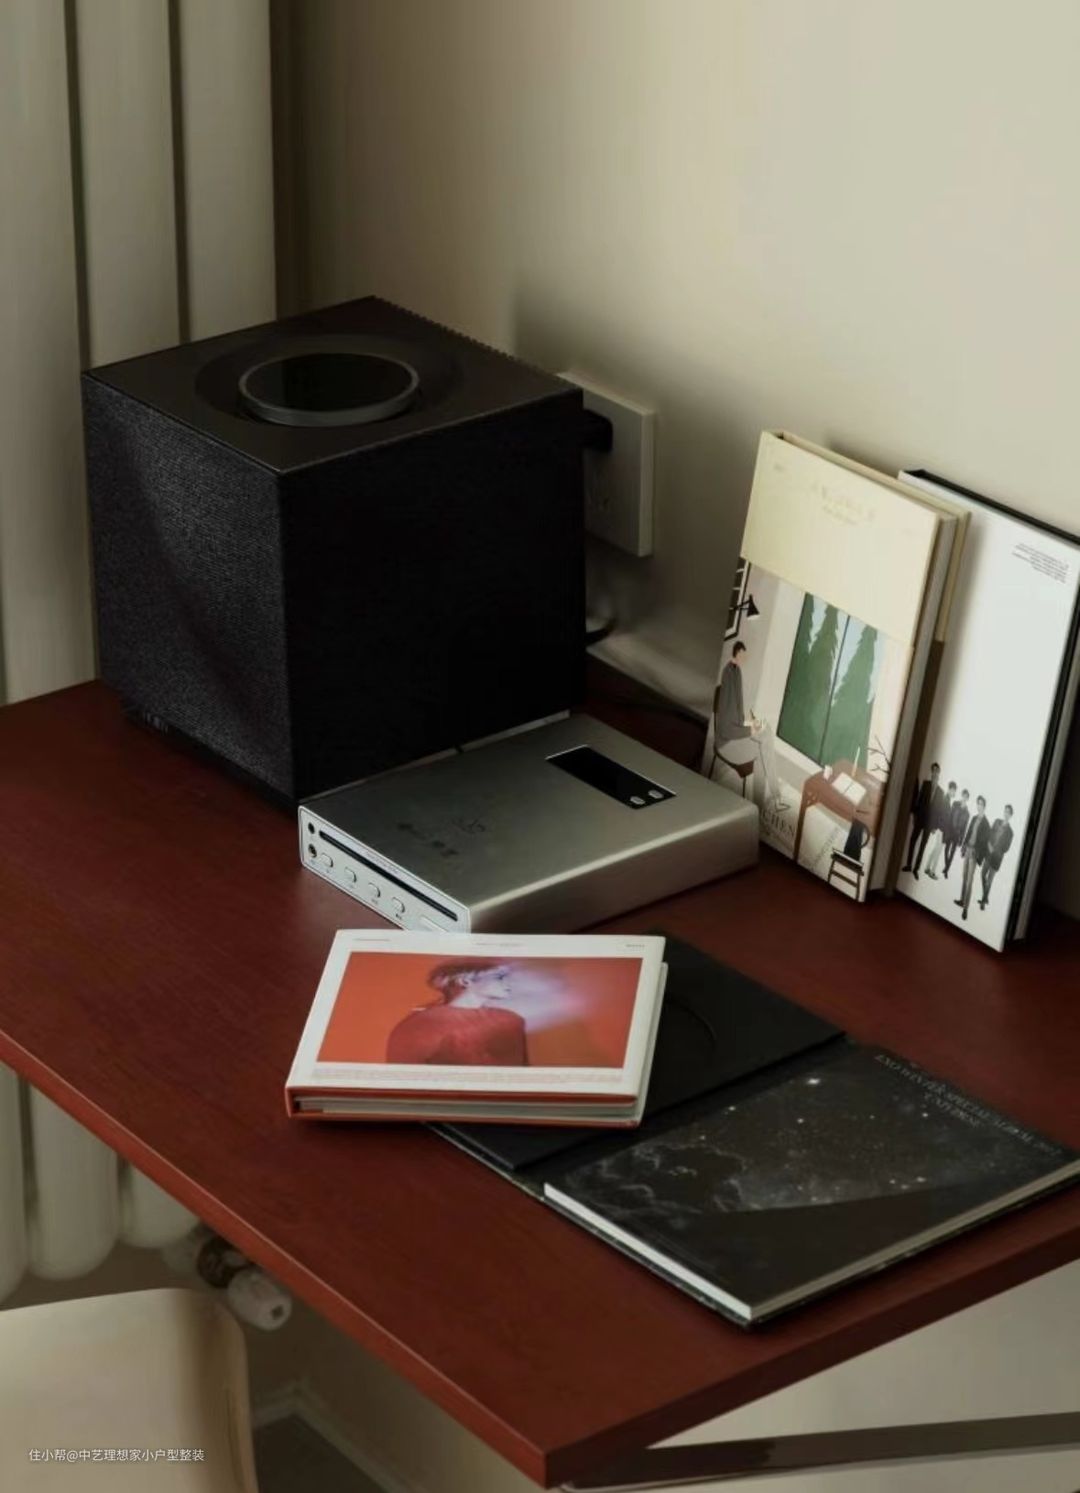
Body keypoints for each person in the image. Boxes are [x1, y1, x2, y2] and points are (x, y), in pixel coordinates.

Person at [386, 960, 528, 1065]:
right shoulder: (422, 1023)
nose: (508, 983)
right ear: (465, 981)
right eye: (499, 977)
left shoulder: (511, 1019)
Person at [711, 642, 783, 810]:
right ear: (736, 654)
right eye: (742, 655)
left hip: (736, 732)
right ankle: (767, 799)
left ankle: (770, 797)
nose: (745, 658)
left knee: (766, 730)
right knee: (762, 750)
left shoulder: (737, 672)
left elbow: (737, 716)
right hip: (727, 744)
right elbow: (726, 729)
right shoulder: (728, 678)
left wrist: (751, 722)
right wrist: (750, 729)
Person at [901, 763, 943, 879]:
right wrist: (914, 816)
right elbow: (918, 801)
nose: (935, 773)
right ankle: (909, 865)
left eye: (937, 771)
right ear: (931, 772)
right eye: (933, 770)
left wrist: (935, 827)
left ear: (939, 773)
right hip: (920, 819)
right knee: (912, 840)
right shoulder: (925, 784)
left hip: (929, 824)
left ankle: (916, 869)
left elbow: (939, 811)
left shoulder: (941, 792)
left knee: (922, 846)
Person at [955, 795, 990, 922]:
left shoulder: (986, 824)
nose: (979, 806)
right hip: (968, 849)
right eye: (978, 803)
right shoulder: (974, 818)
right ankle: (961, 900)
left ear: (984, 806)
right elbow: (969, 832)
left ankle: (966, 908)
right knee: (964, 876)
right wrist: (964, 846)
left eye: (981, 804)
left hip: (975, 853)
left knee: (970, 880)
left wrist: (978, 853)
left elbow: (984, 843)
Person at [980, 804, 1015, 910]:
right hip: (988, 854)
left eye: (1008, 812)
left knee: (989, 880)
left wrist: (995, 850)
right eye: (1005, 811)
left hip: (997, 858)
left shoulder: (1010, 832)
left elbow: (1006, 848)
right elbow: (989, 834)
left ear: (1011, 815)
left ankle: (983, 902)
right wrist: (989, 845)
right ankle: (986, 896)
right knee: (982, 874)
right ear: (1004, 812)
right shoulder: (996, 822)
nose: (1006, 814)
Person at [923, 779, 956, 880]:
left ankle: (927, 867)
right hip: (941, 829)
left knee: (935, 849)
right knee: (938, 851)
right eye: (953, 790)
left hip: (941, 829)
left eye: (954, 791)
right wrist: (938, 828)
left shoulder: (947, 800)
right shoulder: (946, 800)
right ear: (950, 789)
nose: (954, 793)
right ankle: (932, 872)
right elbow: (940, 814)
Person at [944, 788, 970, 879]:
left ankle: (946, 870)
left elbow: (965, 828)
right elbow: (949, 816)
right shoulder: (955, 804)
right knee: (946, 849)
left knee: (952, 853)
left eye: (966, 797)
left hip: (957, 834)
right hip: (950, 830)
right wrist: (946, 830)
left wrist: (961, 840)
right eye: (964, 796)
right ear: (962, 795)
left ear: (967, 799)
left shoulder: (967, 813)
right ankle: (947, 866)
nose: (964, 798)